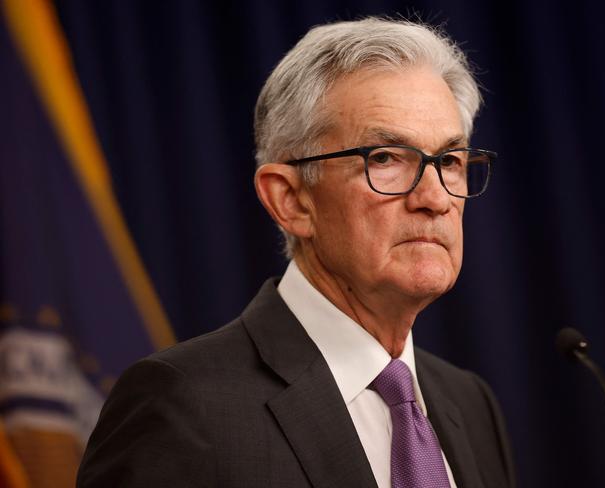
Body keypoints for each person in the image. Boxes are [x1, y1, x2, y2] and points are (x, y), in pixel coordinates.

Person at [77, 17, 516, 488]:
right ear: (290, 200)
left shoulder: (469, 403)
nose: (434, 198)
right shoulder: (183, 404)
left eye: (449, 161)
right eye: (385, 158)